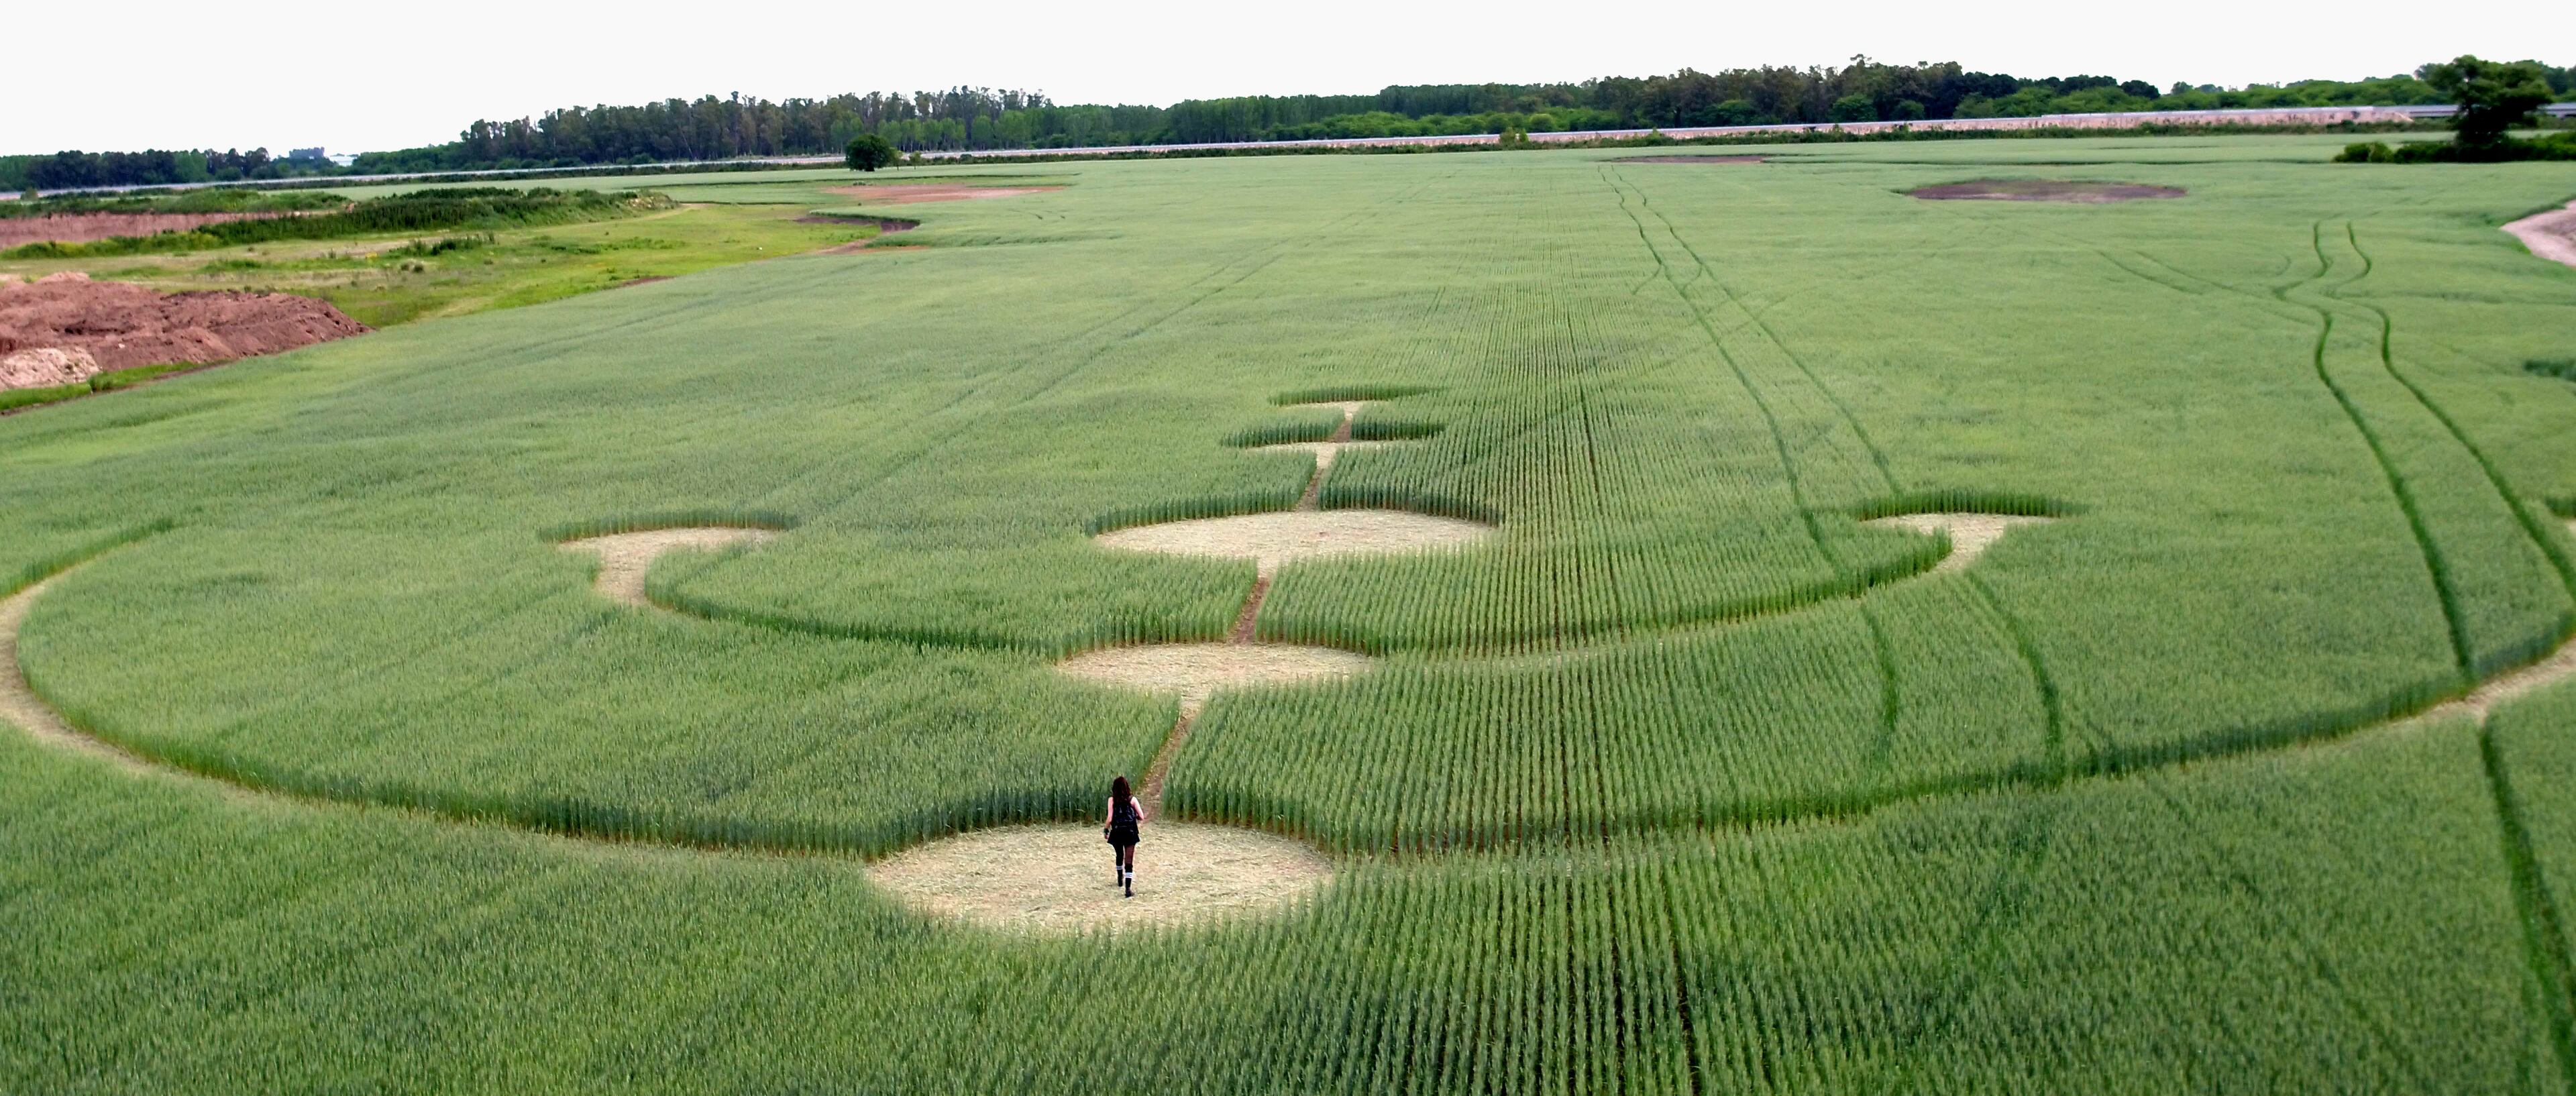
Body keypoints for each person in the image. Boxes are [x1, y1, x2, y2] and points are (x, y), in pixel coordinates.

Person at [1104, 775, 1142, 897]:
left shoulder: (1112, 800)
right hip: (1130, 832)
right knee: (1129, 861)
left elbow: (1110, 818)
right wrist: (1133, 818)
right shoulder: (1132, 800)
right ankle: (1128, 889)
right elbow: (1141, 816)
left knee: (1119, 855)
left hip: (1117, 832)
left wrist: (1106, 830)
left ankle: (1120, 877)